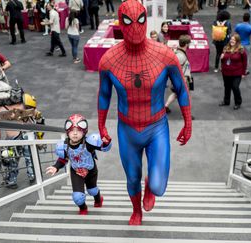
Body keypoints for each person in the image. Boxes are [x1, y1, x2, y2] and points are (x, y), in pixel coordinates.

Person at [98, 0, 192, 226]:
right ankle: (136, 211)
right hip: (127, 129)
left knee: (158, 187)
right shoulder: (109, 60)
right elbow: (103, 95)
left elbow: (181, 88)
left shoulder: (165, 55)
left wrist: (188, 122)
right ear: (120, 24)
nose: (135, 28)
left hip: (156, 126)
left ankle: (151, 184)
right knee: (132, 178)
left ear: (146, 19)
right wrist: (101, 126)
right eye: (128, 22)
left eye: (141, 20)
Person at [46, 114, 112, 215]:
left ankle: (98, 199)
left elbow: (103, 147)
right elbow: (63, 159)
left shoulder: (89, 143)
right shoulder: (65, 145)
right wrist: (56, 167)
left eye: (79, 131)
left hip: (91, 171)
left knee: (92, 190)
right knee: (78, 197)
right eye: (72, 130)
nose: (75, 133)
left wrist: (106, 142)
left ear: (84, 132)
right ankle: (83, 207)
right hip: (76, 171)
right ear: (68, 132)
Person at [0, 92, 40, 188]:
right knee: (30, 156)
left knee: (11, 159)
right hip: (28, 132)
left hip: (13, 137)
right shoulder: (22, 102)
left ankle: (11, 181)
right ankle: (32, 175)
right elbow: (36, 114)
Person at [165, 35, 194, 117]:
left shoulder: (178, 53)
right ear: (186, 44)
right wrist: (183, 82)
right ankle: (186, 114)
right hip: (182, 80)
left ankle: (165, 106)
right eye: (189, 43)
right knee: (186, 97)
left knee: (176, 94)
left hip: (178, 80)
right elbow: (177, 69)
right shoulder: (180, 56)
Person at [219, 33, 247, 110]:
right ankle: (226, 101)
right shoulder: (225, 48)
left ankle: (238, 102)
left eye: (234, 40)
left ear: (237, 41)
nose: (232, 41)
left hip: (237, 73)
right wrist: (221, 59)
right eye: (231, 39)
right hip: (226, 72)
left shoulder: (241, 50)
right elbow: (223, 59)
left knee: (235, 87)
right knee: (227, 87)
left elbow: (244, 62)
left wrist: (243, 73)